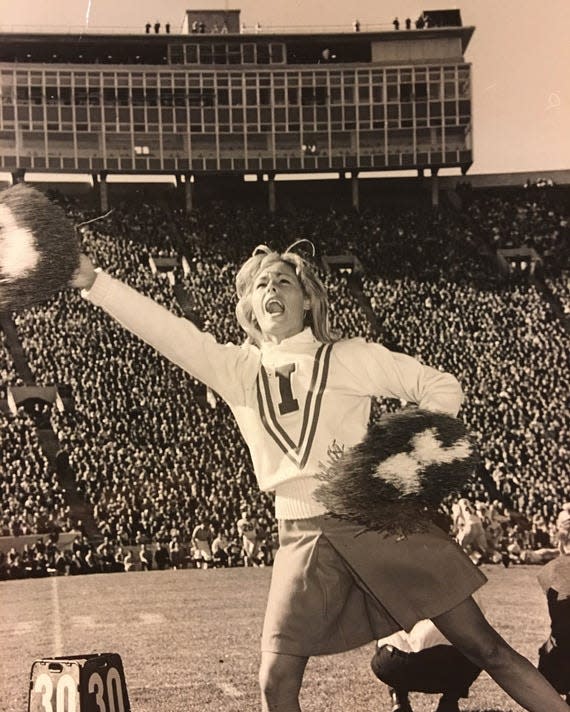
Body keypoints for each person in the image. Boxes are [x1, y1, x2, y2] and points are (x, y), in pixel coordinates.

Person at [72, 245, 569, 712]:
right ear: (248, 304)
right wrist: (95, 283)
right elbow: (166, 331)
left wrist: (402, 464)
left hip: (373, 519)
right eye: (262, 283)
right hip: (300, 536)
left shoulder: (349, 355)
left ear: (307, 299)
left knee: (484, 646)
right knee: (276, 682)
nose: (272, 289)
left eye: (284, 281)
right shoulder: (235, 368)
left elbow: (440, 385)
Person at [371, 617, 482, 712]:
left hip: (393, 664)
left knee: (384, 635)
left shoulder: (394, 593)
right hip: (443, 665)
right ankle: (449, 701)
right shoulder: (459, 592)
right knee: (480, 648)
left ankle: (398, 699)